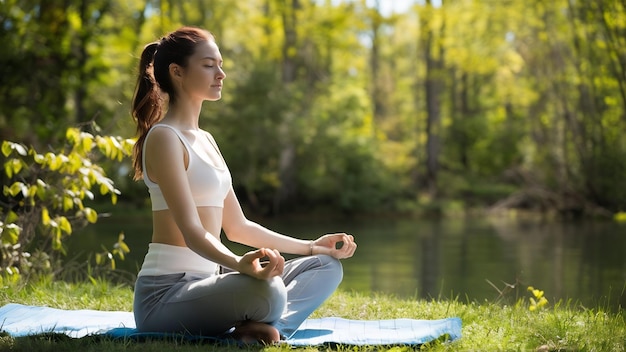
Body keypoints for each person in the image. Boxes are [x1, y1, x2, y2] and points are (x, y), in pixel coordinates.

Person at [129, 26, 357, 344]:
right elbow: (192, 232)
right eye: (209, 65)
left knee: (326, 267)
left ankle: (263, 329)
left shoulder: (206, 140)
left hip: (211, 281)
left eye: (220, 64)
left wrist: (311, 246)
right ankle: (269, 326)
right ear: (177, 72)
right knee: (270, 290)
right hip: (167, 293)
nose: (220, 73)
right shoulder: (164, 137)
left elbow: (238, 227)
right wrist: (239, 265)